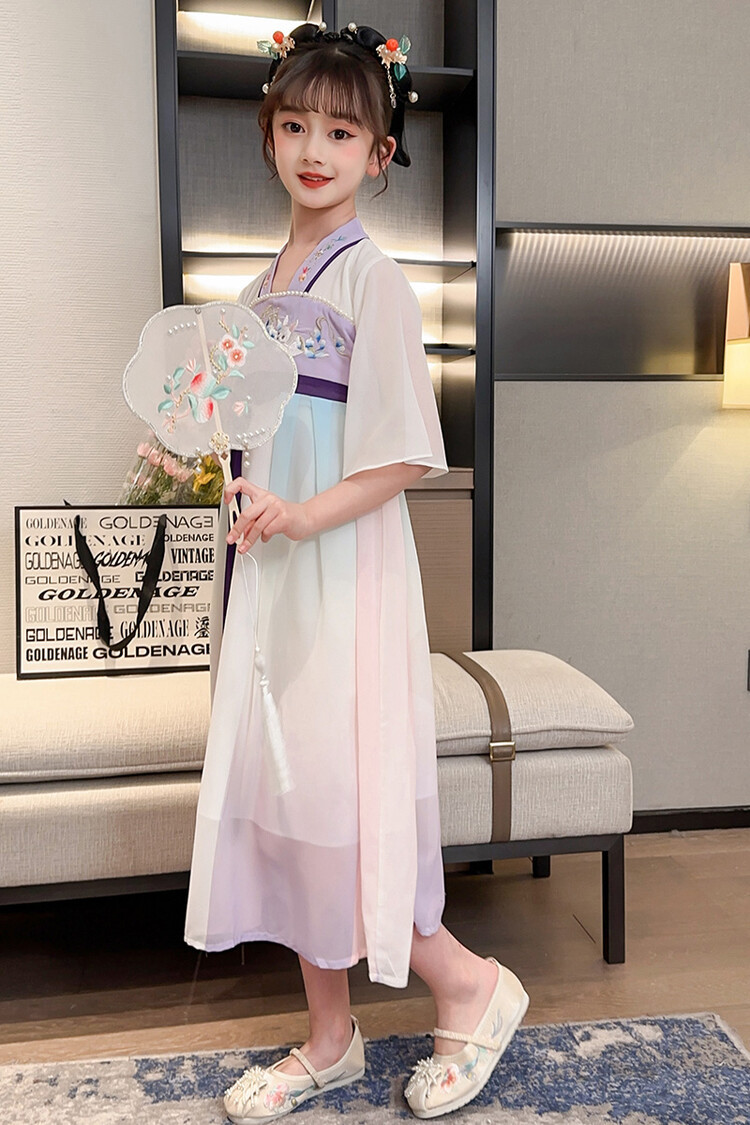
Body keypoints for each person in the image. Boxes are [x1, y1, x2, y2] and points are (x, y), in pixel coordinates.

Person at [183, 20, 529, 1121]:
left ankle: (468, 983)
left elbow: (401, 457)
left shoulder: (376, 282)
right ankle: (331, 1037)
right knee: (288, 794)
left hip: (341, 574)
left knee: (343, 795)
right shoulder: (257, 290)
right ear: (269, 136)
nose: (313, 149)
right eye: (295, 125)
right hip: (275, 576)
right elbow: (255, 432)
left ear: (381, 153)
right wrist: (213, 464)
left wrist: (297, 513)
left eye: (341, 131)